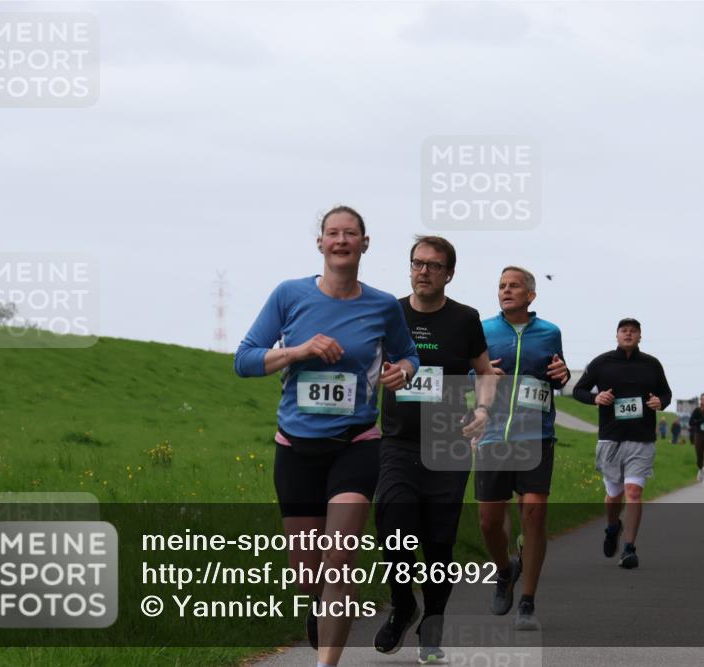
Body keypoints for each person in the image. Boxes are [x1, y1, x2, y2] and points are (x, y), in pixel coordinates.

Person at [234, 206, 419, 667]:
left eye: (350, 233)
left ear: (364, 243)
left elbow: (409, 355)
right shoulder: (289, 295)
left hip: (356, 444)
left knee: (340, 559)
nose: (341, 240)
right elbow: (244, 359)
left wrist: (402, 372)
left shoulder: (382, 305)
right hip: (296, 448)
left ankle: (326, 663)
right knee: (307, 575)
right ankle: (320, 603)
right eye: (332, 233)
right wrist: (299, 350)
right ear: (320, 243)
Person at [372, 236, 498, 663]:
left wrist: (483, 408)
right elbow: (366, 363)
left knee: (439, 543)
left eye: (433, 265)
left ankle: (433, 625)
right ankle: (402, 603)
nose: (423, 271)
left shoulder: (465, 318)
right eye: (417, 263)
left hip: (449, 444)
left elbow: (485, 372)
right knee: (393, 527)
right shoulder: (390, 313)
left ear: (449, 273)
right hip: (398, 441)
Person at [476, 266, 569, 631]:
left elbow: (557, 375)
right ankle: (505, 570)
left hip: (536, 434)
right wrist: (483, 374)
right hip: (493, 435)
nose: (506, 290)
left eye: (514, 286)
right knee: (488, 521)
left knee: (534, 514)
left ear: (530, 295)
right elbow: (469, 373)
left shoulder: (550, 332)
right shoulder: (483, 330)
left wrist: (562, 375)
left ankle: (527, 601)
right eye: (502, 285)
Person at [572, 317, 672, 570]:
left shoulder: (651, 364)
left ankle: (629, 549)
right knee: (614, 495)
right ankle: (612, 526)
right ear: (616, 335)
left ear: (640, 337)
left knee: (634, 493)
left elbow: (666, 393)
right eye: (624, 330)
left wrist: (660, 402)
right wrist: (596, 398)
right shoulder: (601, 363)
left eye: (633, 331)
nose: (628, 334)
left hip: (642, 439)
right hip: (610, 439)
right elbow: (578, 391)